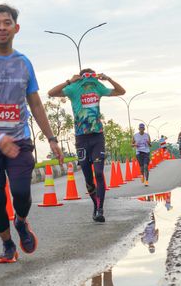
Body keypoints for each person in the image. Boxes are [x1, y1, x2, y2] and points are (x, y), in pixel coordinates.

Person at [0, 4, 64, 264]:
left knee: (21, 191)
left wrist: (52, 139)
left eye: (6, 23)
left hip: (19, 139)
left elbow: (36, 104)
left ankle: (21, 222)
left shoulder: (24, 63)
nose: (1, 27)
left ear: (16, 28)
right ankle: (7, 243)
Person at [48, 69, 125, 223]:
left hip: (97, 137)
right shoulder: (73, 88)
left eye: (93, 77)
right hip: (81, 139)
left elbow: (121, 91)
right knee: (88, 178)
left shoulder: (98, 87)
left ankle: (100, 209)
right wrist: (69, 81)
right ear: (80, 78)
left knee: (98, 173)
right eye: (87, 77)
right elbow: (51, 93)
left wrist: (108, 78)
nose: (90, 81)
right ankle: (95, 205)